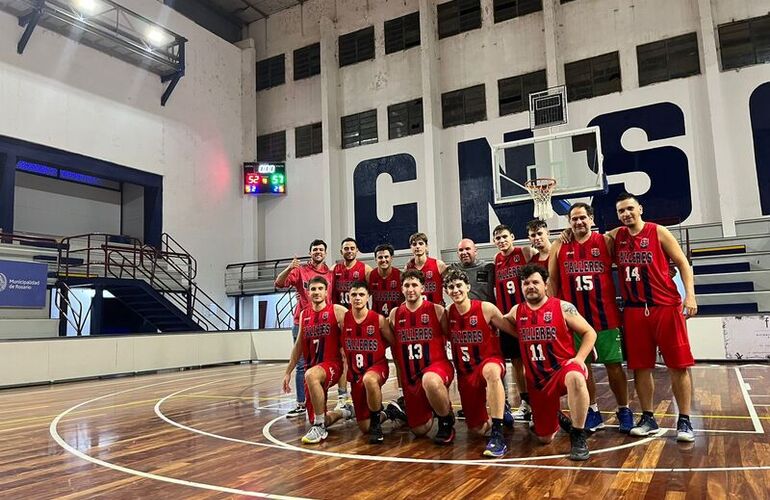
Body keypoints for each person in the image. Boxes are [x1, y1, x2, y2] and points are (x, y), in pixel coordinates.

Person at [607, 193, 698, 442]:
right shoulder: (617, 238)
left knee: (678, 365)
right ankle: (648, 417)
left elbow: (681, 262)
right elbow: (595, 239)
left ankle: (685, 420)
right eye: (621, 211)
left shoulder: (658, 232)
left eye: (630, 209)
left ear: (640, 209)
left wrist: (689, 295)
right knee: (640, 366)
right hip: (635, 310)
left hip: (665, 306)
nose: (626, 214)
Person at [547, 202, 633, 433]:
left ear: (591, 218)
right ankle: (593, 410)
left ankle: (623, 408)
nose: (578, 222)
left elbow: (628, 246)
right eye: (574, 219)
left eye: (583, 217)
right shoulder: (560, 246)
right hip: (574, 321)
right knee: (583, 368)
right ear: (568, 222)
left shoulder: (605, 242)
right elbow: (552, 281)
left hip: (605, 317)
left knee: (614, 366)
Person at [503, 264, 597, 461]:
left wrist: (580, 358)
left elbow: (590, 332)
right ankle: (555, 415)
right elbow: (499, 322)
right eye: (526, 283)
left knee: (576, 377)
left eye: (535, 282)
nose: (530, 286)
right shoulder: (516, 311)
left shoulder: (563, 307)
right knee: (544, 438)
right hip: (537, 379)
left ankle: (578, 435)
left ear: (545, 285)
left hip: (562, 369)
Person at [444, 268, 515, 457]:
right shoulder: (447, 314)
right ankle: (499, 413)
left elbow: (512, 330)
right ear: (446, 291)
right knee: (477, 429)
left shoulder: (486, 308)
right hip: (466, 372)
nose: (455, 290)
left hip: (489, 361)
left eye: (459, 285)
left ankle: (498, 434)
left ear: (468, 286)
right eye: (451, 287)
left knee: (491, 372)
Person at [281, 276, 353, 444]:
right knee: (317, 417)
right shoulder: (304, 314)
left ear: (326, 290)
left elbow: (354, 330)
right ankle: (344, 412)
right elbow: (298, 345)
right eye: (313, 289)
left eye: (320, 288)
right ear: (308, 292)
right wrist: (288, 372)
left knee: (311, 375)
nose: (316, 292)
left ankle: (319, 427)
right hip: (311, 367)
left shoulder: (337, 310)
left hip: (332, 365)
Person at [388, 269, 456, 444]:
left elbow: (454, 338)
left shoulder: (437, 310)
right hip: (411, 375)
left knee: (431, 381)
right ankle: (433, 406)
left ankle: (446, 420)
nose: (410, 289)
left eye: (414, 285)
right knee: (419, 430)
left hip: (437, 366)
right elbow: (392, 343)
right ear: (401, 289)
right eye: (407, 285)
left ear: (422, 288)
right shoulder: (395, 314)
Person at [340, 281, 407, 443]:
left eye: (361, 294)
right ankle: (390, 412)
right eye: (354, 295)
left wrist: (400, 370)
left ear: (368, 297)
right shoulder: (344, 319)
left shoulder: (378, 319)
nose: (357, 298)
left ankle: (377, 424)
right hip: (356, 373)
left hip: (376, 367)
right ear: (349, 297)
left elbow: (394, 342)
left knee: (369, 379)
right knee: (364, 427)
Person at [275, 239, 334, 419]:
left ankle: (328, 400)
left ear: (325, 253)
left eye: (321, 249)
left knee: (326, 363)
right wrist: (288, 268)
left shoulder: (330, 274)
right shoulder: (300, 271)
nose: (318, 252)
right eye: (315, 249)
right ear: (310, 253)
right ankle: (301, 403)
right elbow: (279, 283)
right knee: (302, 365)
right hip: (301, 323)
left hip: (325, 324)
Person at [492, 224, 536, 421]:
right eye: (498, 238)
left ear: (512, 236)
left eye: (504, 237)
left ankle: (539, 401)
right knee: (516, 362)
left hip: (526, 315)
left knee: (533, 360)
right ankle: (526, 402)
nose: (501, 241)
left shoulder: (525, 252)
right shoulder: (497, 259)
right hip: (507, 320)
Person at [331, 238, 373, 410]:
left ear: (357, 250)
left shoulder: (366, 269)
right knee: (342, 356)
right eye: (346, 248)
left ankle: (368, 393)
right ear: (341, 252)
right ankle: (342, 396)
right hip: (342, 319)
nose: (349, 251)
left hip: (361, 320)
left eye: (352, 248)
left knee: (366, 357)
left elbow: (374, 290)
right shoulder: (334, 270)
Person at [405, 232, 447, 305]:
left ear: (426, 246)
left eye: (421, 244)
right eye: (414, 244)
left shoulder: (438, 265)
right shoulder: (408, 268)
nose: (417, 247)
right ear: (411, 247)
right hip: (417, 310)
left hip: (436, 310)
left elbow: (450, 286)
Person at [368, 243, 404, 318]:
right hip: (377, 319)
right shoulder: (370, 276)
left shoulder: (400, 276)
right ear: (375, 259)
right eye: (380, 257)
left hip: (397, 318)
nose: (383, 260)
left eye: (386, 257)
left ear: (391, 258)